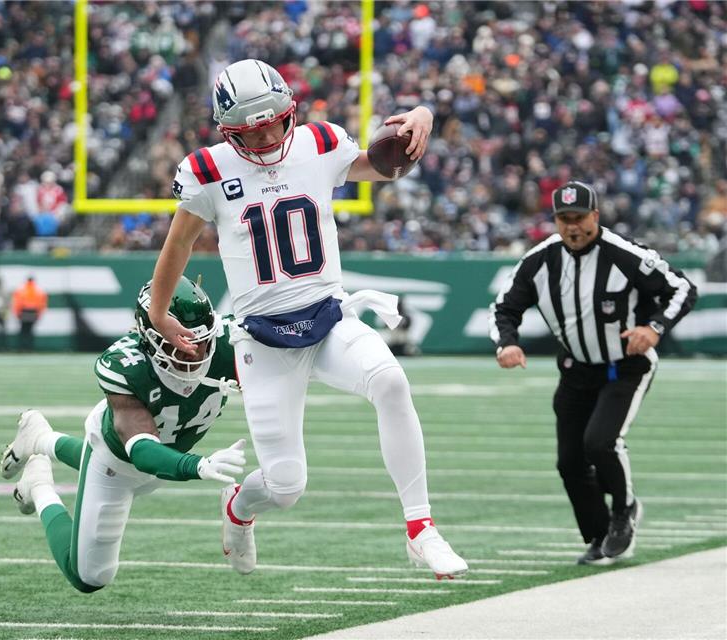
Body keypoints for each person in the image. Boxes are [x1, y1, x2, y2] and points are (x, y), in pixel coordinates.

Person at [148, 59, 467, 578]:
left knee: (390, 381)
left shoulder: (319, 143)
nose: (269, 134)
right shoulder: (209, 169)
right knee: (286, 487)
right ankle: (239, 509)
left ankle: (420, 528)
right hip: (263, 339)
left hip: (328, 316)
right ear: (229, 131)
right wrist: (159, 312)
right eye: (253, 130)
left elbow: (381, 165)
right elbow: (178, 243)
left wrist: (419, 117)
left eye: (275, 120)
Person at [489, 181, 697, 566]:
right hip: (575, 370)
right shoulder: (540, 260)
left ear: (596, 216)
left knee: (600, 442)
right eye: (564, 219)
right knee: (569, 462)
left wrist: (653, 328)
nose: (573, 227)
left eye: (580, 218)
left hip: (626, 366)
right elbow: (504, 307)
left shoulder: (624, 253)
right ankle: (599, 534)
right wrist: (507, 343)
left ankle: (624, 509)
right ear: (554, 220)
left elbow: (682, 289)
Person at [0, 276, 245, 592]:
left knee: (133, 473)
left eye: (201, 341)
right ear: (148, 336)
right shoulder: (126, 365)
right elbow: (141, 450)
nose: (194, 353)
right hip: (117, 458)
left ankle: (40, 438)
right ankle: (39, 487)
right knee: (89, 577)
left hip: (165, 460)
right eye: (179, 341)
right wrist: (195, 466)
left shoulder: (230, 342)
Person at [11, 275, 47, 351]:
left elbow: (17, 303)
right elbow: (42, 304)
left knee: (23, 331)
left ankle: (22, 348)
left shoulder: (21, 290)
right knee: (30, 331)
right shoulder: (38, 291)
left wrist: (17, 313)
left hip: (23, 312)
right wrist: (39, 314)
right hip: (33, 312)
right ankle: (30, 348)